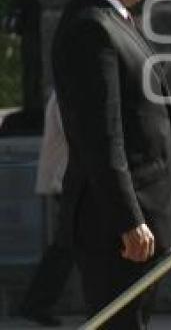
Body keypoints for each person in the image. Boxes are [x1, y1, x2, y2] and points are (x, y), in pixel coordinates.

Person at [52, 0, 171, 329]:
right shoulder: (90, 27)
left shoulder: (114, 19)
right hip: (114, 228)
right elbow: (101, 137)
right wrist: (128, 219)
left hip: (138, 222)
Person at [17, 92, 73, 327]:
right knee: (68, 244)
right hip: (67, 179)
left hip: (69, 179)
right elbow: (77, 133)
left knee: (68, 243)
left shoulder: (65, 91)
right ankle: (36, 302)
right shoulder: (66, 94)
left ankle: (36, 302)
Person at [3, 0, 63, 132]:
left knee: (51, 68)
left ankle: (50, 110)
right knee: (32, 68)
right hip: (31, 22)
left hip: (52, 23)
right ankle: (32, 109)